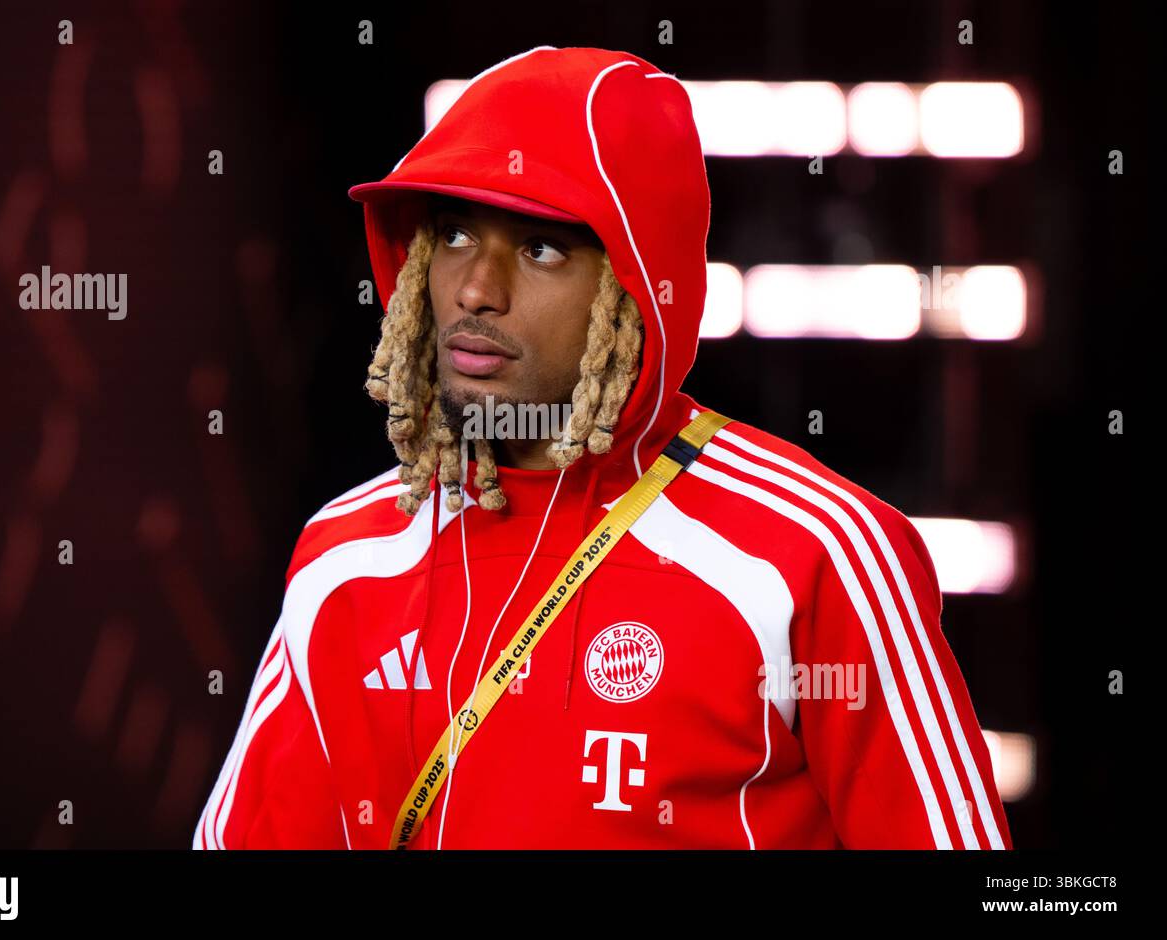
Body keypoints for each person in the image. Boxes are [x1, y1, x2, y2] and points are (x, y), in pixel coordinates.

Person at [194, 45, 1012, 849]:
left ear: (637, 281)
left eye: (541, 245)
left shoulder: (815, 554)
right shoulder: (345, 559)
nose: (477, 288)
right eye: (451, 234)